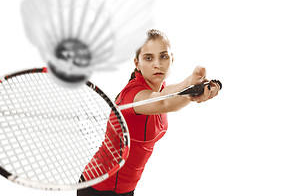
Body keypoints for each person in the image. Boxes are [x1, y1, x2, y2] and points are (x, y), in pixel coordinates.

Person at [77, 29, 220, 196]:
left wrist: (192, 83)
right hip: (99, 187)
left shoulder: (160, 90)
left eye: (163, 56)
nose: (157, 64)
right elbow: (164, 102)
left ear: (172, 59)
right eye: (148, 58)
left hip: (126, 188)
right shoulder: (133, 96)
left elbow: (169, 94)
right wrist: (191, 95)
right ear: (137, 63)